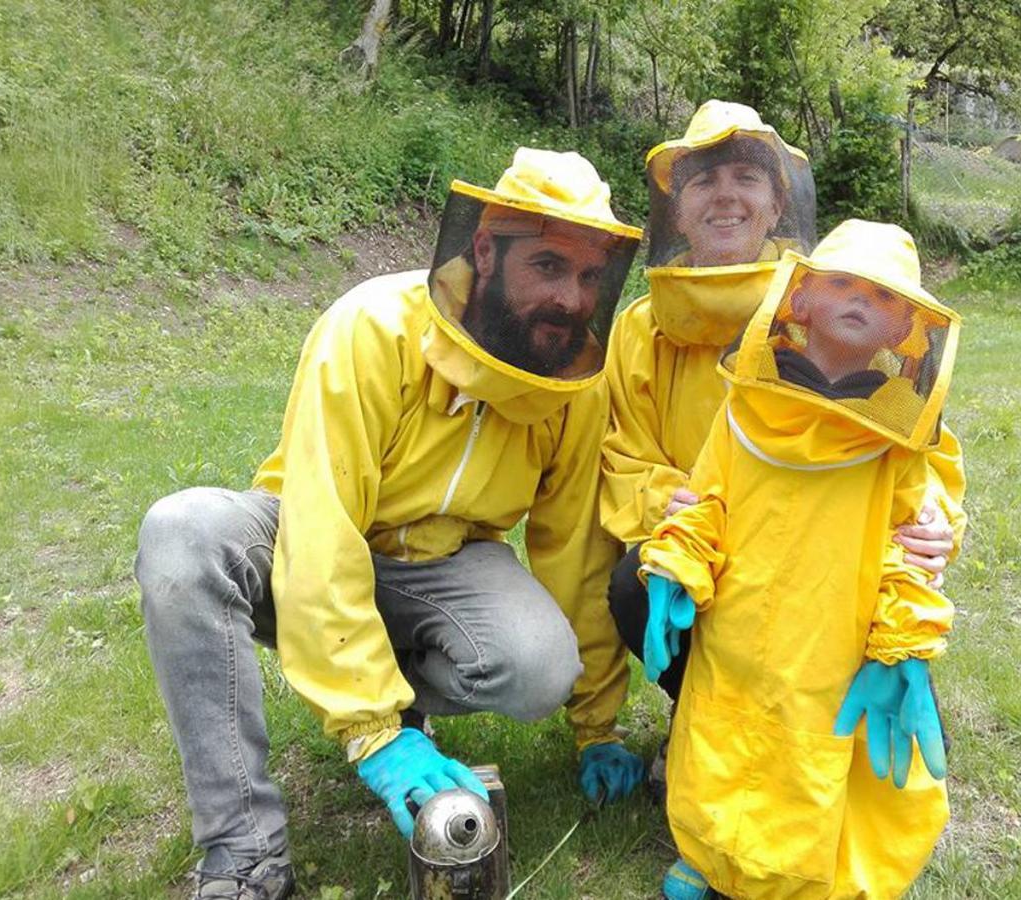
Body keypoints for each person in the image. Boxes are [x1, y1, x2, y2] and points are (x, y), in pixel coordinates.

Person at [134, 148, 646, 900]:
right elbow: (324, 524)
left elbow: (571, 547)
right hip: (306, 533)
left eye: (588, 276)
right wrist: (371, 731)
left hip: (450, 561)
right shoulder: (371, 325)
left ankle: (396, 699)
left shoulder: (574, 377)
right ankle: (243, 849)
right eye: (548, 265)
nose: (571, 297)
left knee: (539, 663)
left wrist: (597, 725)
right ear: (484, 250)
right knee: (181, 534)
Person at [599, 102, 965, 798]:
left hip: (826, 565)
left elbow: (925, 451)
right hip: (712, 554)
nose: (727, 196)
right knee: (635, 583)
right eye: (704, 181)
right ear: (675, 212)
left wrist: (935, 524)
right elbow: (623, 456)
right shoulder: (638, 332)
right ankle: (703, 719)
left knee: (888, 776)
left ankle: (829, 731)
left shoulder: (831, 306)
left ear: (776, 206)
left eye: (747, 179)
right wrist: (670, 506)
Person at [639, 220, 960, 899]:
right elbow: (705, 497)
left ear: (905, 327)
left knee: (812, 744)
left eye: (882, 296)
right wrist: (677, 566)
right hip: (738, 620)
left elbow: (915, 543)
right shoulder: (745, 404)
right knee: (717, 726)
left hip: (830, 636)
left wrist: (902, 645)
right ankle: (709, 852)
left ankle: (797, 881)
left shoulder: (900, 432)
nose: (858, 299)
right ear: (802, 300)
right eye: (841, 282)